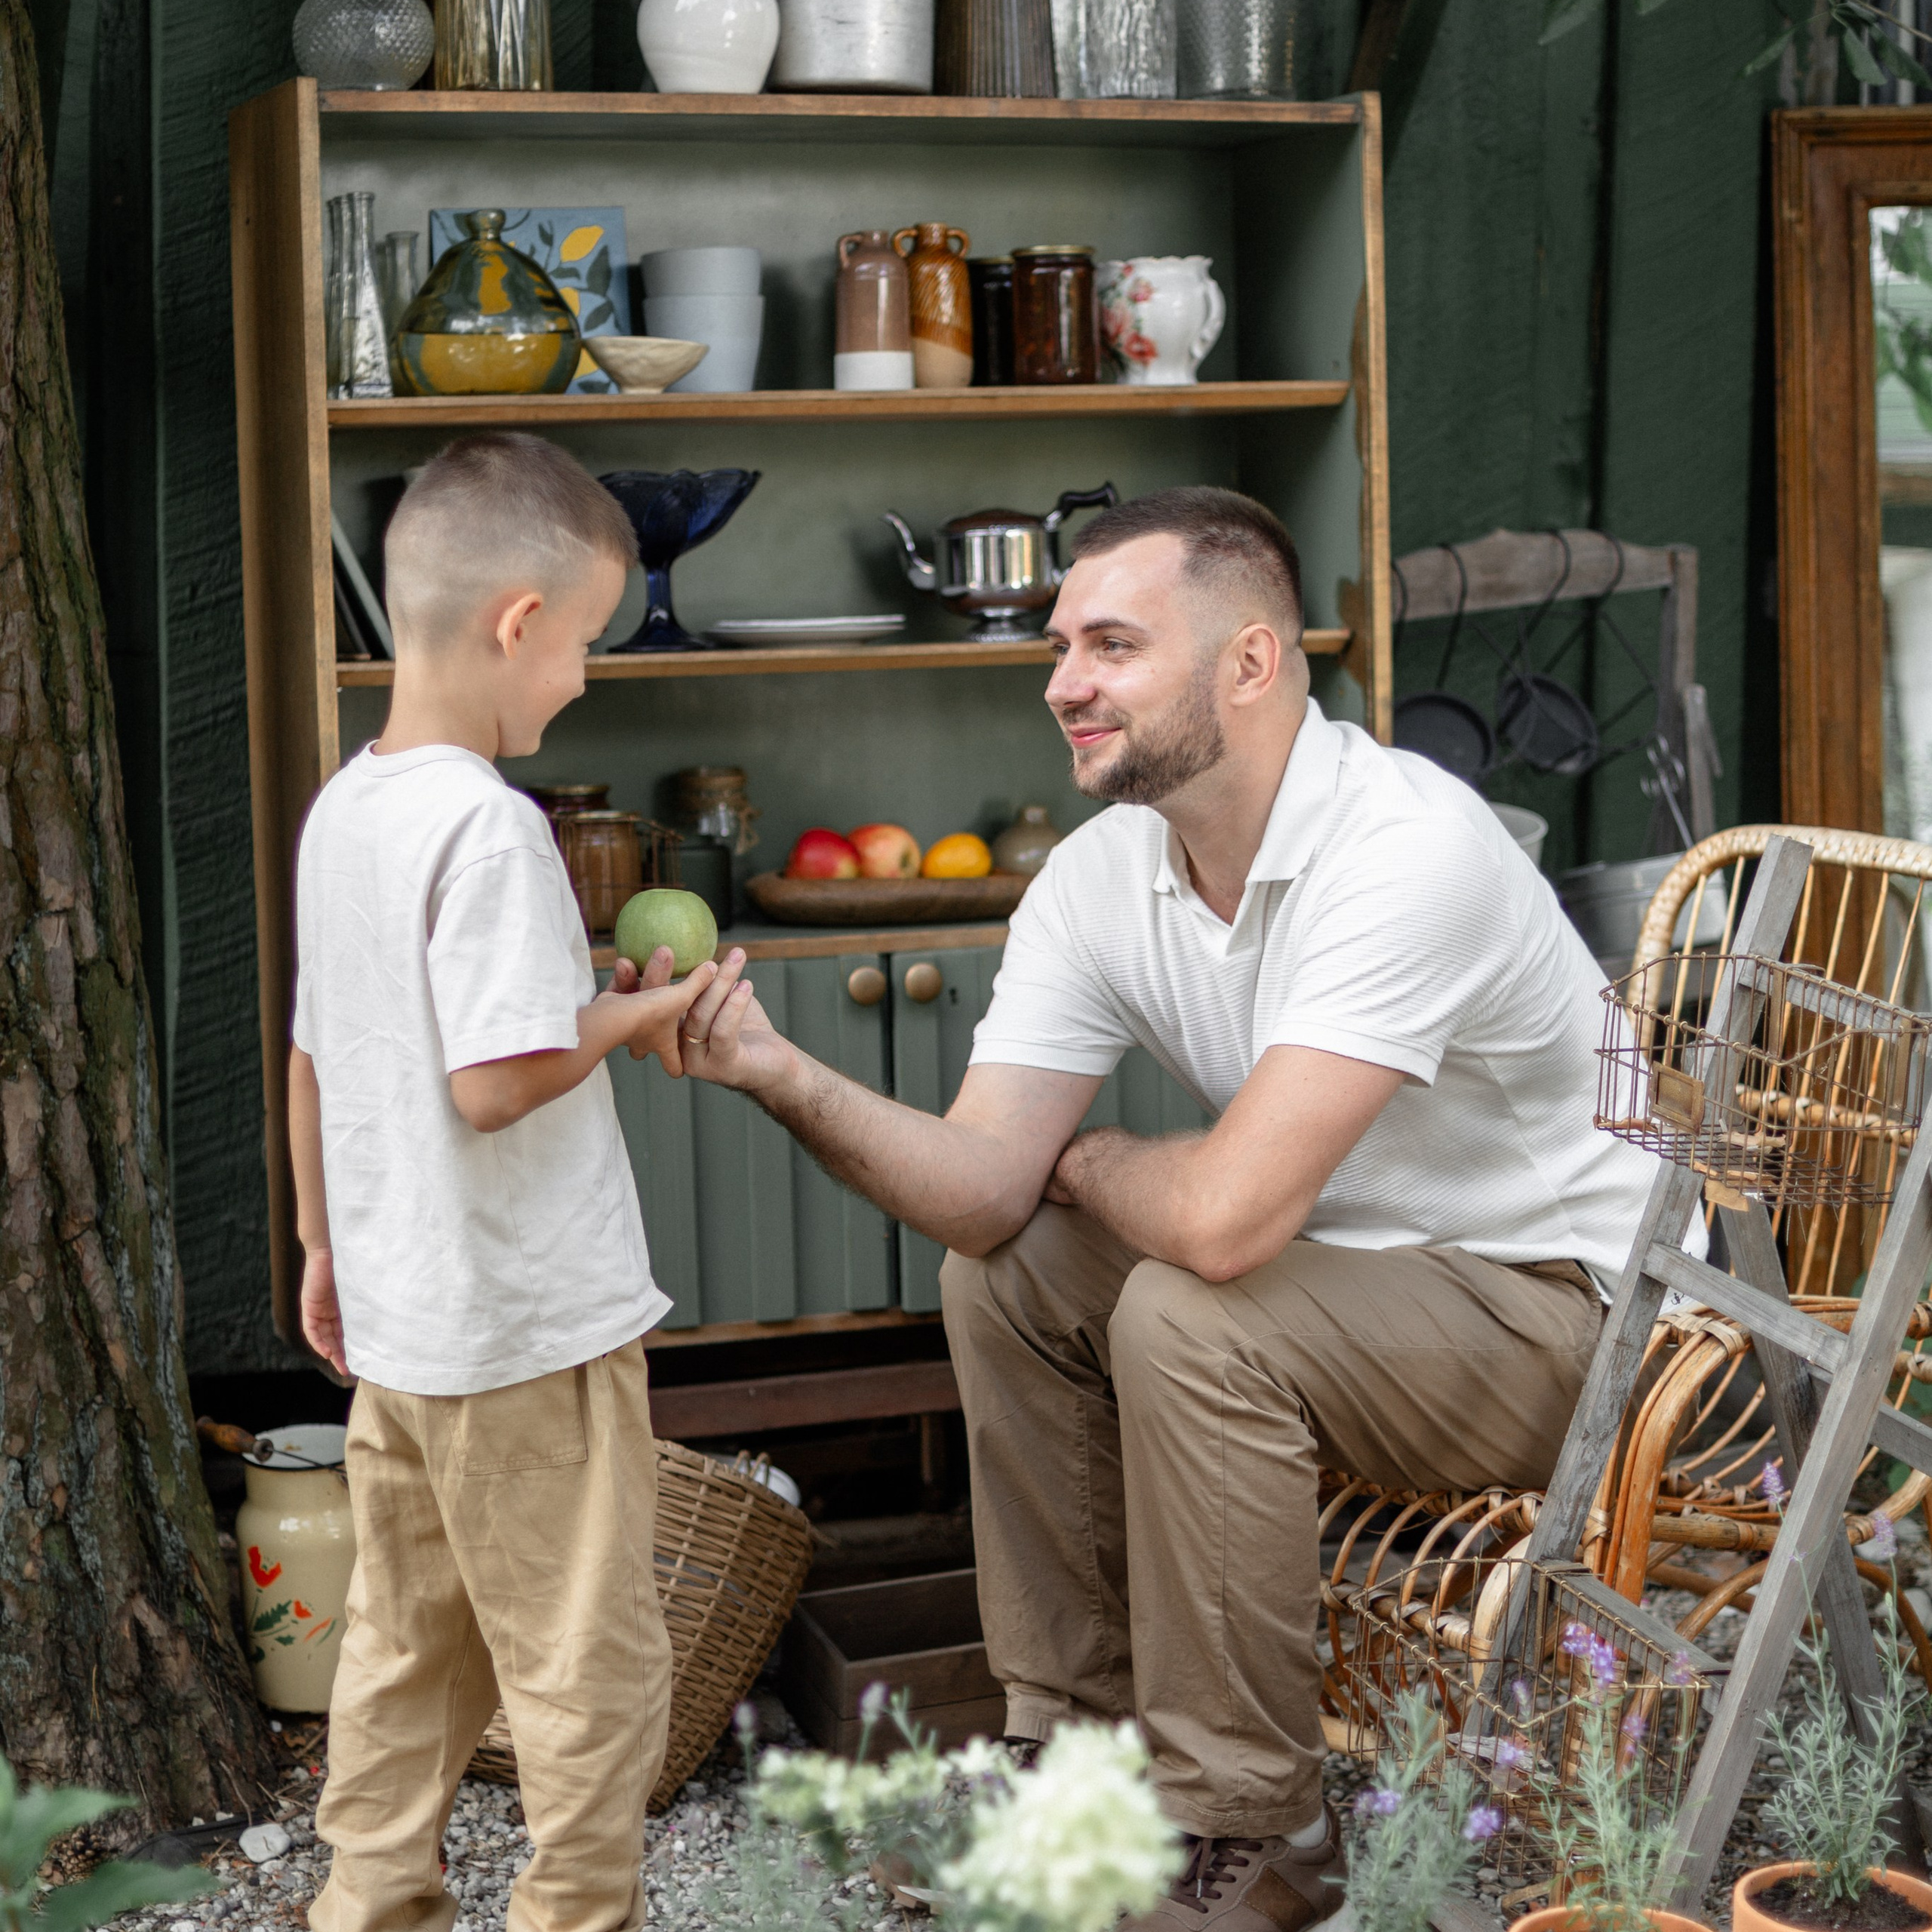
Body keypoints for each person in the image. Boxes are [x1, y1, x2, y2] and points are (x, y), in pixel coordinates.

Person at [679, 485, 1657, 1932]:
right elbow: (979, 1191)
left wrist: (1081, 1163)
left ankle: (1251, 1834)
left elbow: (1215, 1227)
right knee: (1006, 1272)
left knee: (1192, 1307)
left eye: (1113, 645)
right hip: (1363, 1284)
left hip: (1580, 1319)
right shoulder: (1101, 876)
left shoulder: (1405, 849)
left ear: (1250, 663)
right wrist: (778, 1073)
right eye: (1063, 646)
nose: (1064, 681)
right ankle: (1081, 1763)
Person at [293, 432, 718, 1932]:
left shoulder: (347, 808)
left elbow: (322, 1052)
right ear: (518, 622)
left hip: (408, 1322)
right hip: (532, 1330)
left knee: (403, 1646)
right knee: (583, 1664)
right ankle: (575, 1912)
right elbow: (494, 1080)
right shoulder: (491, 825)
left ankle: (368, 1898)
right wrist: (637, 1013)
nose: (585, 679)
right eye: (589, 642)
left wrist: (319, 1245)